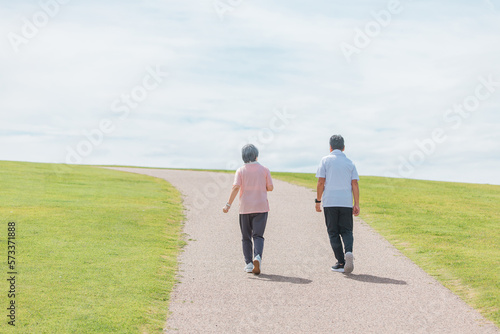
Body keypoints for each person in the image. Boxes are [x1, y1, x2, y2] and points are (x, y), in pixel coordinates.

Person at [223, 144, 274, 275]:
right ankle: (257, 256)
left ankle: (249, 264)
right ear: (256, 155)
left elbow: (235, 187)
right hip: (261, 208)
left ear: (243, 157)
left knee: (246, 237)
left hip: (245, 208)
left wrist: (228, 205)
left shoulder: (240, 170)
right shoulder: (264, 170)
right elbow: (270, 188)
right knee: (258, 236)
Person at [315, 135, 360, 274]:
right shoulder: (350, 163)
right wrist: (356, 203)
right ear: (344, 147)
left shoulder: (325, 161)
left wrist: (318, 200)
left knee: (333, 232)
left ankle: (341, 262)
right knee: (347, 231)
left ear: (330, 147)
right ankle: (349, 252)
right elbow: (354, 184)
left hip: (330, 202)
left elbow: (321, 182)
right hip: (346, 202)